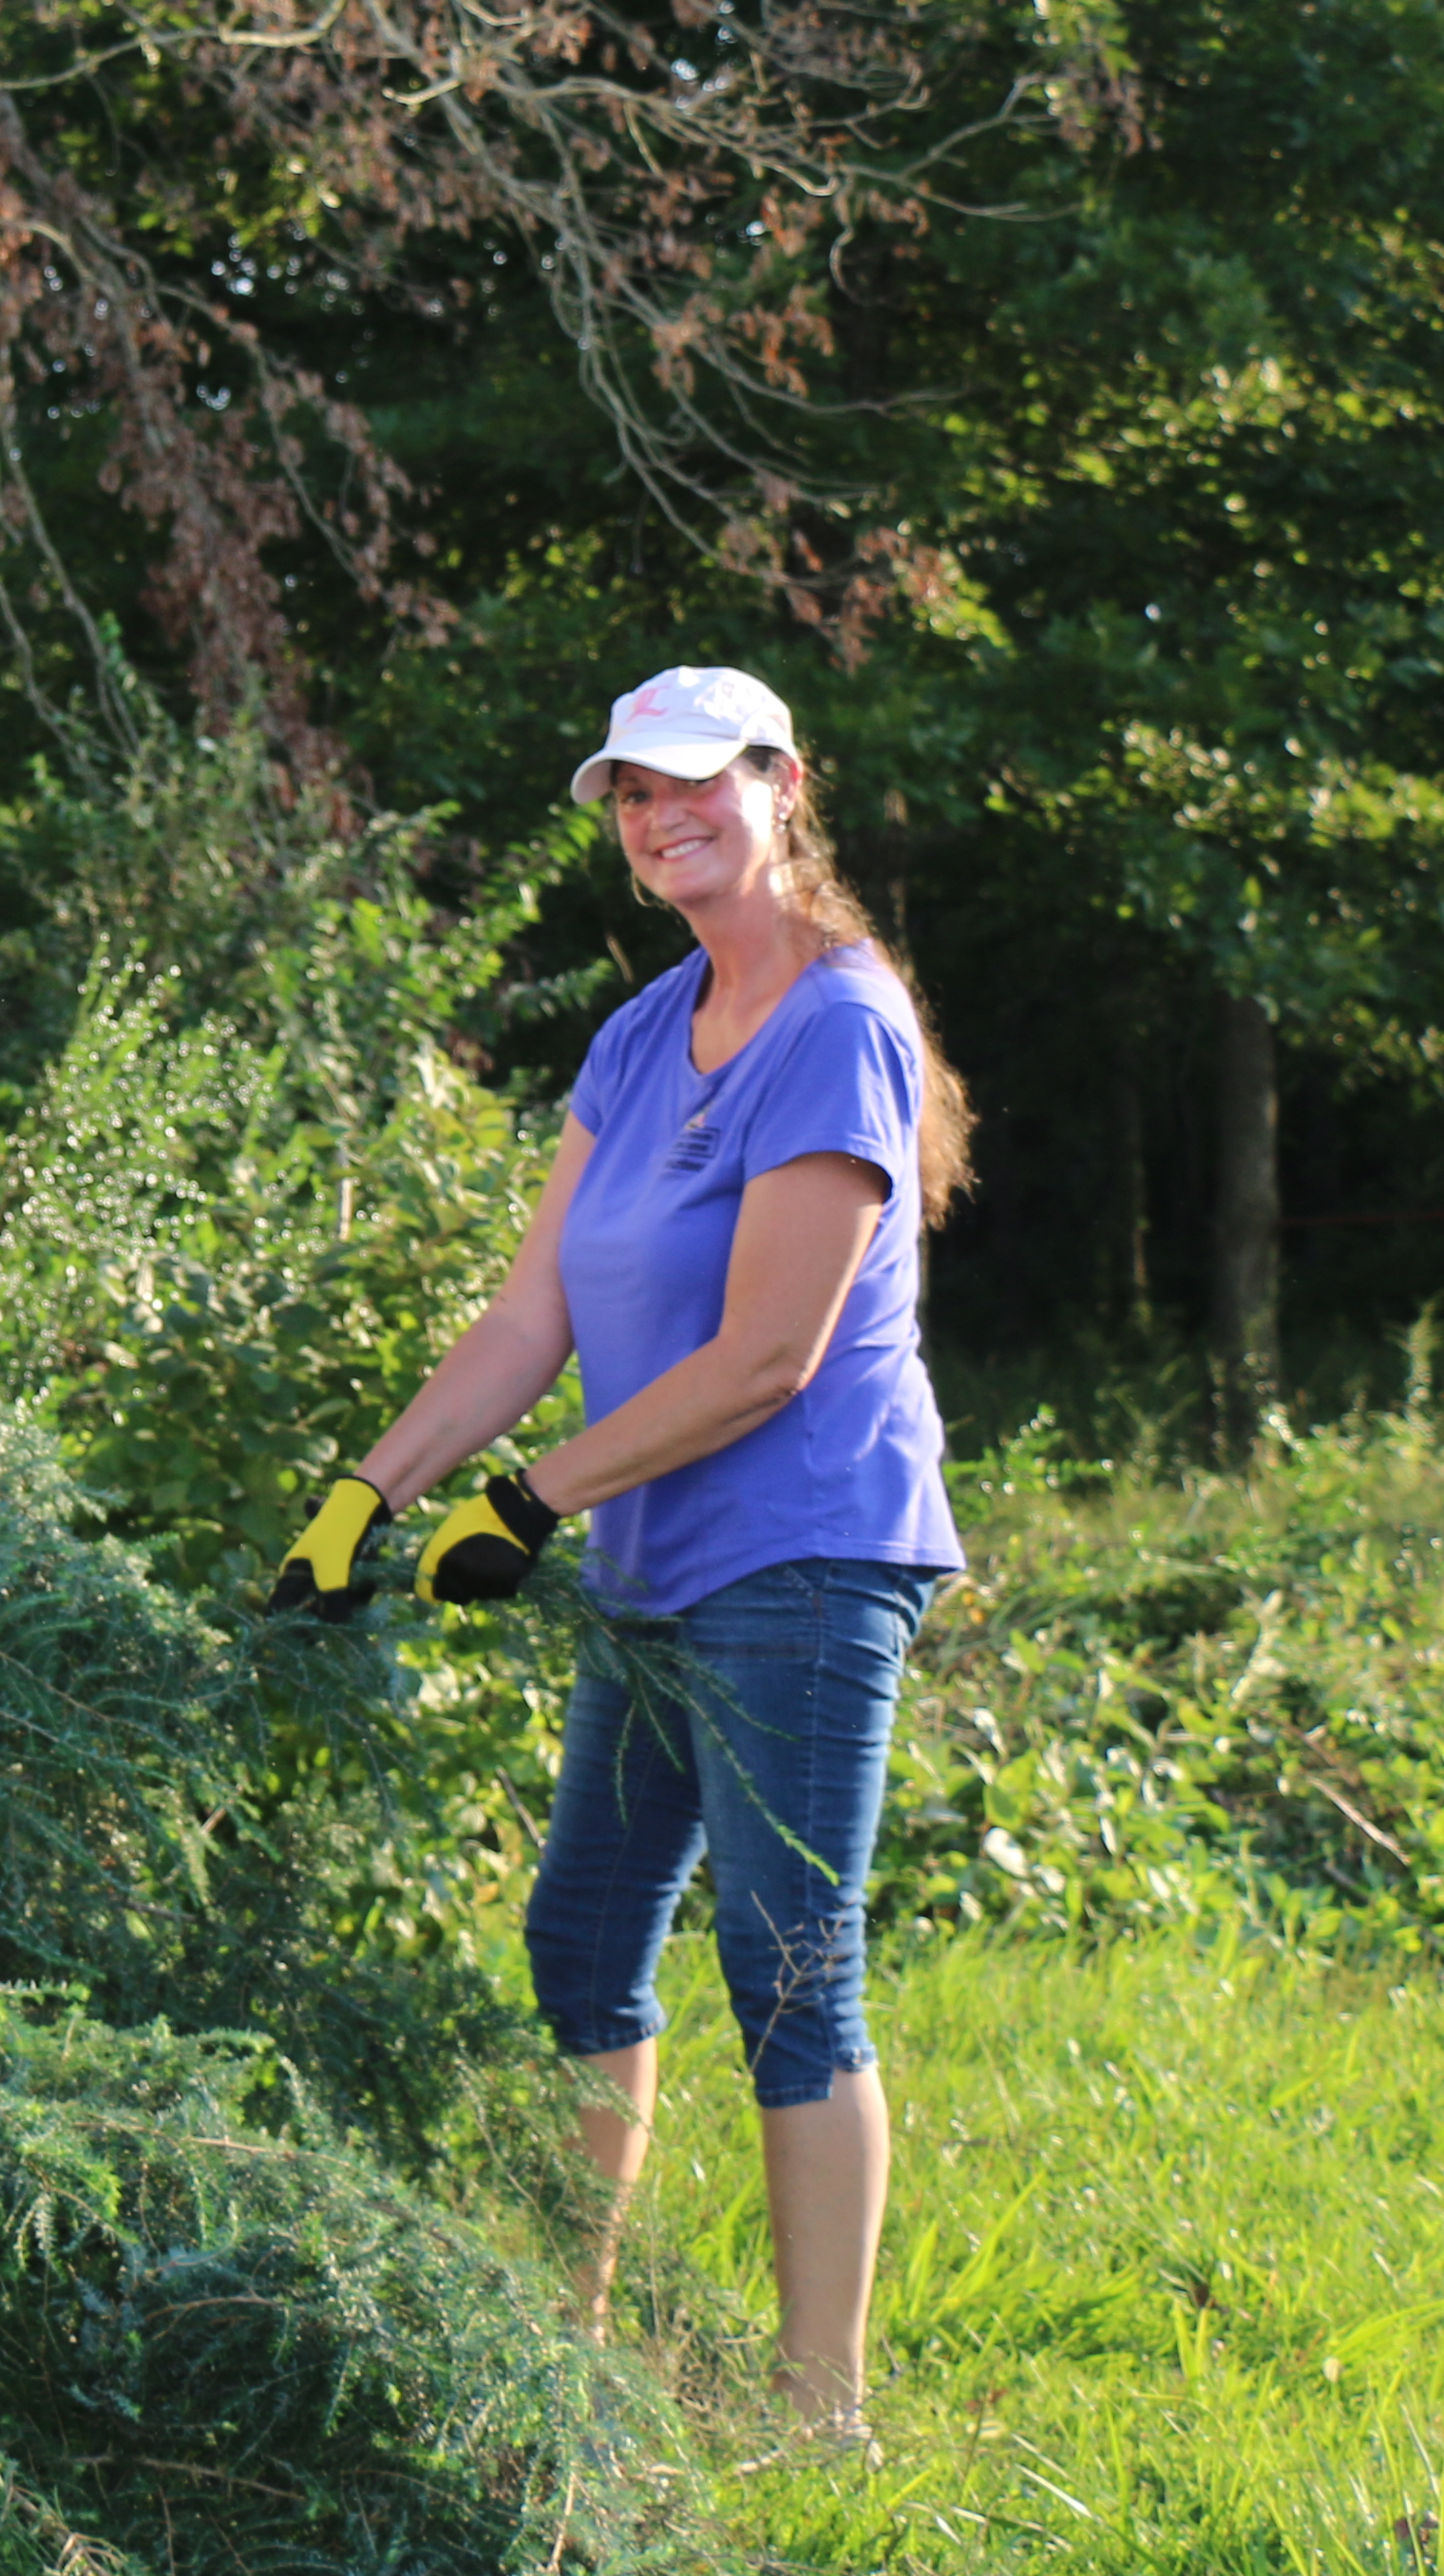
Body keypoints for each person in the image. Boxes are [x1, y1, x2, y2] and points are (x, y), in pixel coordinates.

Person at [260, 664, 968, 2440]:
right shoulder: (645, 1032)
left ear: (780, 783)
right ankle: (564, 2351)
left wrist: (529, 1501)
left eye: (691, 783)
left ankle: (824, 2416)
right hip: (658, 1557)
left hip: (805, 1557)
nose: (659, 817)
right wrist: (373, 1491)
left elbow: (770, 1352)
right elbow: (531, 1309)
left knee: (791, 1965)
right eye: (628, 795)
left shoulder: (839, 1021)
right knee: (580, 1937)